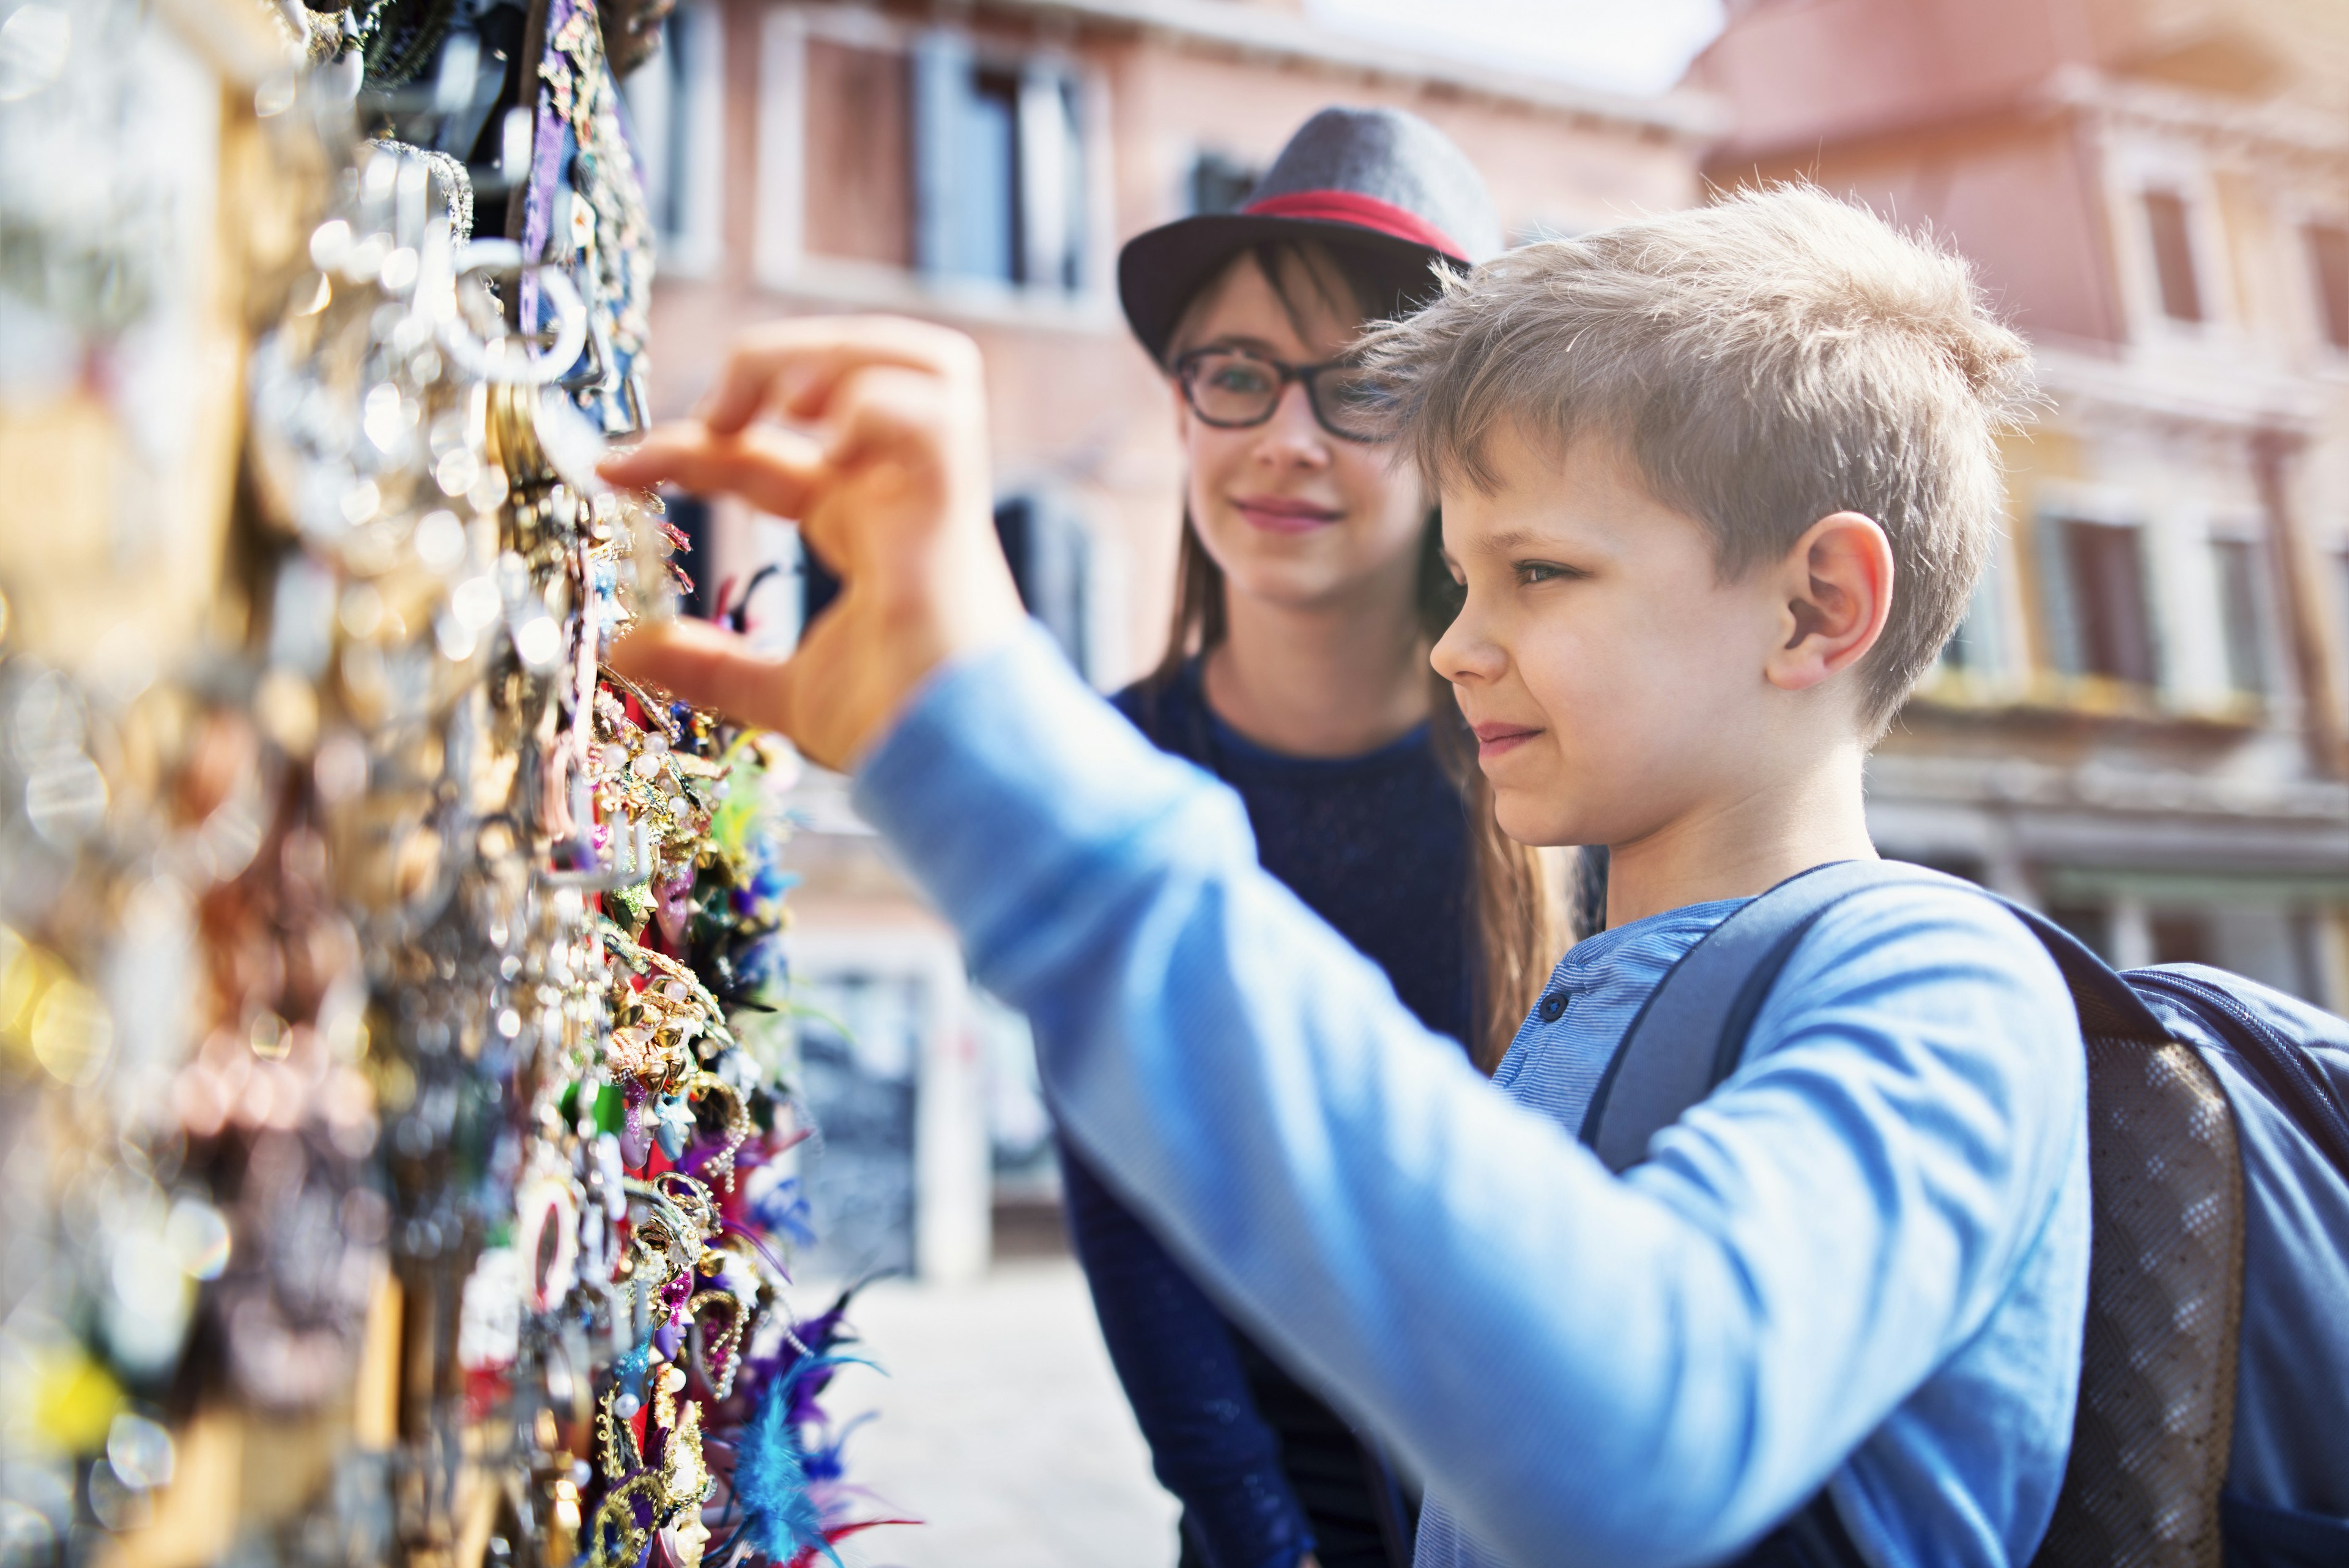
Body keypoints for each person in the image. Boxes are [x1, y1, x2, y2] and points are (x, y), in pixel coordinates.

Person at [601, 185, 2079, 1568]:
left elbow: (1645, 1425)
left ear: (1819, 605)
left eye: (1539, 573)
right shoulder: (1602, 995)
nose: (1457, 642)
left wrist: (1004, 759)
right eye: (1463, 572)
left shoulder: (1946, 985)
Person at [1064, 105, 1558, 1568]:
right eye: (1238, 375)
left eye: (1361, 388)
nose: (1285, 438)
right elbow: (1137, 1235)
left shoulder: (1562, 771)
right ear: (1181, 410)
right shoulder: (1110, 768)